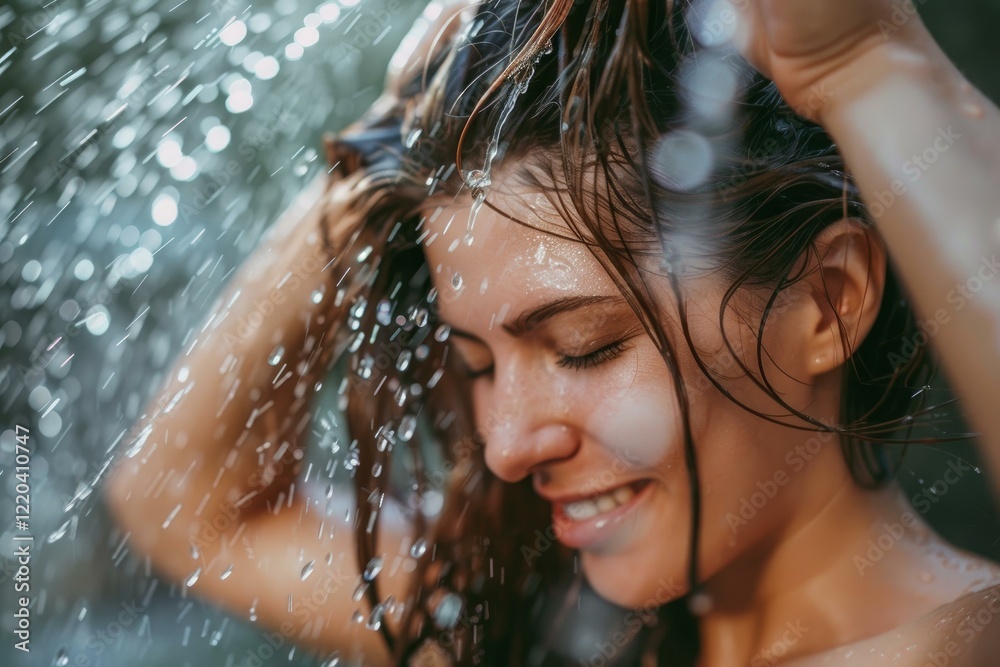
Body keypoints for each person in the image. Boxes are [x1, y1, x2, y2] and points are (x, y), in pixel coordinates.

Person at [105, 0, 1000, 664]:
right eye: (478, 363)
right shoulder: (548, 627)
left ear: (830, 301)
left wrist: (864, 70)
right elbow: (189, 508)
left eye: (586, 347)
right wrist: (381, 144)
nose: (504, 445)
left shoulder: (962, 643)